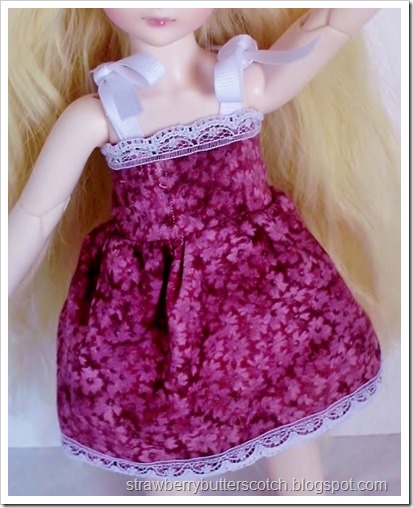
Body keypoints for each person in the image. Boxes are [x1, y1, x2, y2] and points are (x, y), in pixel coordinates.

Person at [8, 8, 400, 495]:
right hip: (154, 318)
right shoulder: (102, 112)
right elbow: (35, 215)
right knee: (165, 444)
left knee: (288, 410)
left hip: (262, 295)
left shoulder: (240, 81)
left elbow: (329, 24)